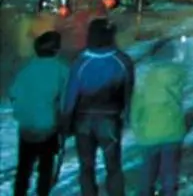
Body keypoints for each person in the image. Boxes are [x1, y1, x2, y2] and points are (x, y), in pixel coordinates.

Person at [63, 15, 135, 196]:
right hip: (110, 121)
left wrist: (66, 120)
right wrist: (126, 115)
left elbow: (71, 95)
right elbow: (128, 91)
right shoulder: (122, 61)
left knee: (86, 167)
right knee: (113, 166)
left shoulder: (81, 62)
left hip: (83, 122)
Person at [8, 30, 67, 196]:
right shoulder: (61, 69)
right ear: (56, 49)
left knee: (24, 167)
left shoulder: (26, 70)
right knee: (45, 168)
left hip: (26, 125)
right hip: (48, 126)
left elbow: (13, 93)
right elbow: (67, 99)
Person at [130, 41, 188, 196]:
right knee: (170, 172)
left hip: (149, 131)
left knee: (147, 173)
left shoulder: (144, 79)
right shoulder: (179, 74)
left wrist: (137, 129)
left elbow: (136, 108)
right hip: (174, 129)